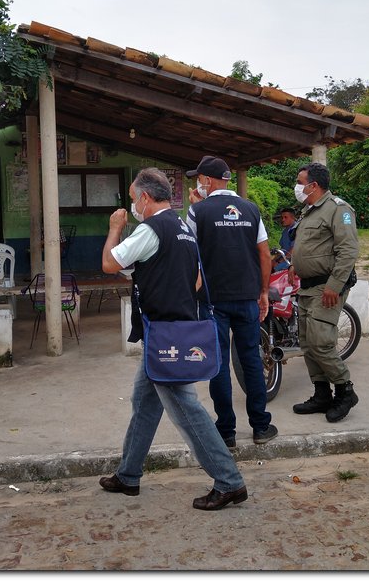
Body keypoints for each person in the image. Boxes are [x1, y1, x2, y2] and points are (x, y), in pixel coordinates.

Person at [99, 167, 248, 511]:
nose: (134, 205)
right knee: (145, 403)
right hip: (174, 328)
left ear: (146, 198)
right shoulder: (181, 226)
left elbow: (110, 263)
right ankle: (128, 474)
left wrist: (115, 228)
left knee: (185, 409)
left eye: (135, 199)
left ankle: (229, 481)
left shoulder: (151, 227)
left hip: (165, 335)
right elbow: (194, 278)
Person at [185, 155, 277, 448]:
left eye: (199, 179)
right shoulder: (251, 209)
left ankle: (226, 431)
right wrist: (263, 291)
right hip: (247, 297)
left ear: (208, 181)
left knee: (219, 364)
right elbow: (264, 254)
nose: (198, 184)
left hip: (213, 301)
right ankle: (261, 426)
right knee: (251, 359)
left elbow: (188, 254)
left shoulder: (197, 212)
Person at [290, 162, 361, 423]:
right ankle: (322, 394)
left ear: (314, 185)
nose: (297, 187)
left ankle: (345, 391)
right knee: (308, 345)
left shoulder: (338, 209)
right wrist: (294, 267)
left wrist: (334, 285)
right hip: (308, 287)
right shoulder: (308, 211)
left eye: (300, 181)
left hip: (326, 287)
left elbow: (348, 250)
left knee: (321, 343)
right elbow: (309, 246)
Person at [273, 207, 297, 271]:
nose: (283, 219)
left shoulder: (295, 230)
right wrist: (274, 260)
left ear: (293, 218)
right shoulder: (285, 231)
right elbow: (283, 248)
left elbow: (293, 249)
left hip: (291, 262)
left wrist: (279, 262)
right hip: (283, 258)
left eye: (286, 217)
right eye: (282, 217)